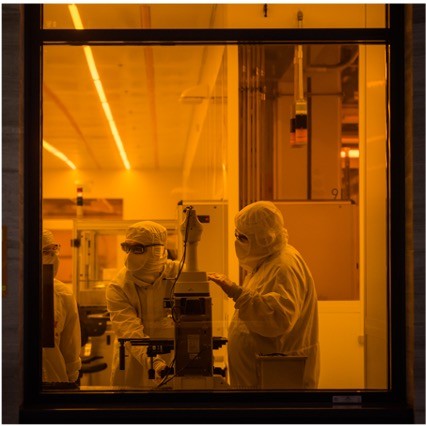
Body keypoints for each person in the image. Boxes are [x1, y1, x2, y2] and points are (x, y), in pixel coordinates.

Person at [208, 201, 319, 389]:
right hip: (261, 378)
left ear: (264, 238)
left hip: (276, 379)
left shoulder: (284, 266)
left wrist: (236, 292)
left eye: (243, 237)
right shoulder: (266, 262)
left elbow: (278, 319)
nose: (237, 242)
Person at [106, 221, 179, 388]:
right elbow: (129, 330)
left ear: (157, 250)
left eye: (137, 249)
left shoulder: (179, 274)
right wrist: (155, 363)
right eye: (127, 248)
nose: (130, 255)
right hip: (133, 364)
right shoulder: (118, 286)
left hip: (174, 360)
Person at [42, 229, 82, 383]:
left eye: (54, 251)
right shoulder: (9, 293)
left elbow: (69, 345)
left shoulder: (62, 293)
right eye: (46, 252)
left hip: (55, 381)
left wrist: (71, 378)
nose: (53, 258)